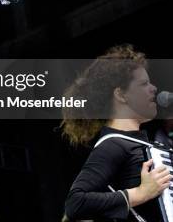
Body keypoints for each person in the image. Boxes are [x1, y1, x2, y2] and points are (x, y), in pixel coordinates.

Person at [61, 45, 169, 221]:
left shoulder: (143, 145)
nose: (154, 88)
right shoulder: (112, 145)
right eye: (144, 84)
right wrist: (140, 193)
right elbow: (76, 203)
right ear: (121, 95)